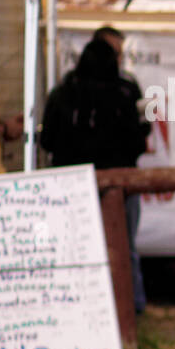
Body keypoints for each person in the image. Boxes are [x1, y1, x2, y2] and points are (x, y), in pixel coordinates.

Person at [40, 36, 150, 313]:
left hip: (70, 186)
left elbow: (47, 140)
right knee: (125, 249)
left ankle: (73, 307)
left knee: (73, 249)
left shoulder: (61, 93)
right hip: (122, 182)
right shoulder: (127, 91)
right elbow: (143, 133)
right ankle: (132, 310)